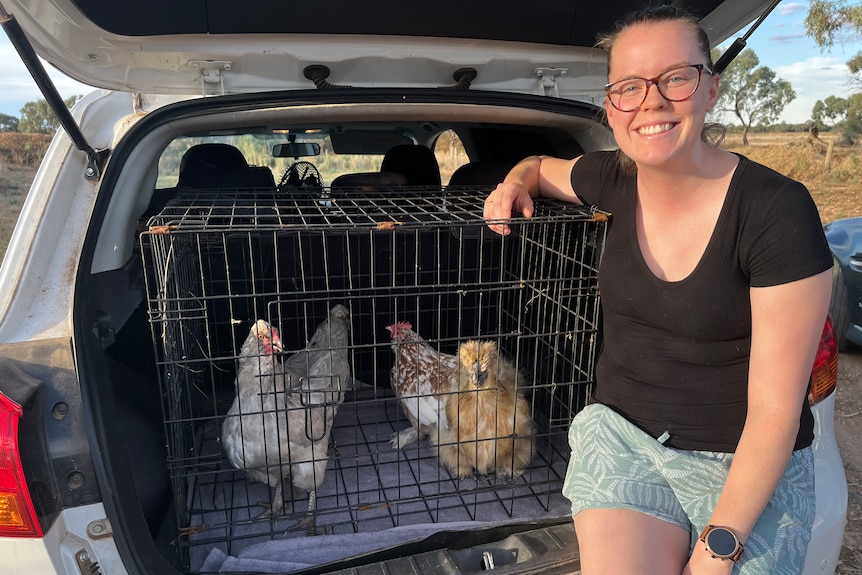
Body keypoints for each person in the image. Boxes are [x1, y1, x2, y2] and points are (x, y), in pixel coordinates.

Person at [483, 6, 833, 575]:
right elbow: (541, 164)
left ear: (711, 88)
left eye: (675, 77)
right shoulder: (614, 176)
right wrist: (512, 183)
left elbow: (776, 411)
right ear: (610, 105)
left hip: (743, 460)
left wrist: (720, 547)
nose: (651, 102)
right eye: (628, 86)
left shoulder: (777, 211)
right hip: (625, 436)